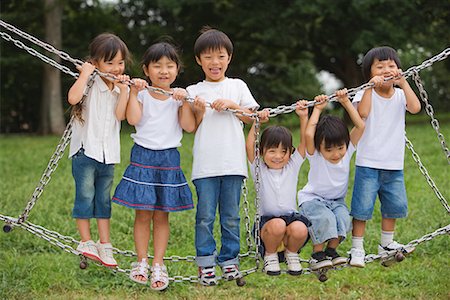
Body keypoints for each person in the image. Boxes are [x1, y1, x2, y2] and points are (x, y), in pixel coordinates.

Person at [112, 41, 196, 290]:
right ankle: (141, 261)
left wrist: (186, 102)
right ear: (146, 70)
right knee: (142, 213)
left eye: (170, 66)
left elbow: (189, 127)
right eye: (157, 66)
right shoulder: (143, 94)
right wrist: (135, 93)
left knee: (162, 215)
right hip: (143, 158)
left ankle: (159, 263)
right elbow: (133, 119)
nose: (164, 71)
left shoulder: (178, 96)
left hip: (168, 159)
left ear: (177, 69)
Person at [186, 27, 260, 286]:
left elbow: (252, 118)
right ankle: (206, 263)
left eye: (220, 56)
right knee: (205, 216)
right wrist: (196, 110)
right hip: (205, 165)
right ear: (198, 60)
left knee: (230, 216)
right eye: (208, 57)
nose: (214, 62)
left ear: (229, 58)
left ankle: (230, 261)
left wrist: (232, 105)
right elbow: (192, 127)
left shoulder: (237, 86)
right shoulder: (193, 90)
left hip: (232, 164)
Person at [349, 46, 421, 267]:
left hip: (393, 164)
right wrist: (371, 87)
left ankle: (386, 243)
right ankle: (357, 248)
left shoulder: (400, 95)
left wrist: (404, 83)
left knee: (393, 206)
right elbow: (363, 114)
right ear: (369, 73)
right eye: (380, 67)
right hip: (368, 163)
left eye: (391, 66)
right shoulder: (364, 93)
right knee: (362, 208)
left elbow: (416, 107)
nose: (386, 70)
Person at [68, 33, 131, 268]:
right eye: (110, 63)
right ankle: (86, 241)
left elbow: (120, 116)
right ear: (96, 63)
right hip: (86, 151)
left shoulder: (117, 89)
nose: (116, 68)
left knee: (103, 199)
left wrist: (124, 90)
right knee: (85, 196)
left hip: (109, 154)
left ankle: (105, 244)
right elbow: (73, 98)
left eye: (120, 62)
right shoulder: (91, 83)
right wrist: (85, 73)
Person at [298, 89, 365, 271]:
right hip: (313, 200)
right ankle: (317, 254)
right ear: (320, 147)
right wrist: (318, 109)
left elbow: (360, 126)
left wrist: (345, 102)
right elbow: (309, 135)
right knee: (325, 218)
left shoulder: (348, 150)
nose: (336, 154)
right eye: (329, 150)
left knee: (343, 218)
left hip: (336, 201)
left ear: (345, 143)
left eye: (340, 148)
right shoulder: (316, 155)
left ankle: (331, 251)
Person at [246, 102, 311, 276]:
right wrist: (256, 123)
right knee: (277, 224)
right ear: (262, 152)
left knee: (301, 228)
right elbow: (249, 146)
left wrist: (304, 117)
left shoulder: (292, 166)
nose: (278, 156)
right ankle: (270, 255)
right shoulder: (259, 168)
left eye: (284, 151)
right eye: (272, 151)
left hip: (290, 222)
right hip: (268, 227)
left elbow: (305, 142)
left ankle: (291, 253)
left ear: (290, 152)